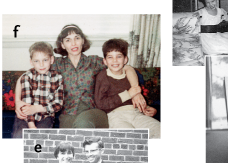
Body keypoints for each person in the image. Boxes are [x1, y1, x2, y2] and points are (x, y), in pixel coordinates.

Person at [15, 24, 144, 128]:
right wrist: (17, 102)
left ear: (82, 41)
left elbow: (127, 67)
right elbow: (24, 77)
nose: (73, 43)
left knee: (83, 125)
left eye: (77, 38)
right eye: (68, 40)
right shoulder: (57, 64)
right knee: (73, 143)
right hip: (68, 115)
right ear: (62, 45)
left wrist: (136, 91)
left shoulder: (94, 62)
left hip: (93, 112)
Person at [94, 38, 161, 138]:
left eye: (119, 56)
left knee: (158, 129)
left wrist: (147, 108)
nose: (115, 60)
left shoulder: (130, 75)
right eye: (110, 57)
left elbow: (136, 97)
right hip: (116, 115)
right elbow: (101, 104)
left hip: (136, 114)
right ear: (105, 61)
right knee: (129, 138)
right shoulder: (102, 77)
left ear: (125, 59)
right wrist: (128, 94)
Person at [12, 42, 64, 138]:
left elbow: (58, 104)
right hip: (25, 117)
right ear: (31, 62)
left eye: (45, 60)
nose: (41, 64)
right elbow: (27, 104)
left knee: (42, 137)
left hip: (46, 116)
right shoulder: (27, 77)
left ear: (52, 60)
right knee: (19, 135)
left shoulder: (58, 77)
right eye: (36, 61)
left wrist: (37, 108)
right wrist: (31, 126)